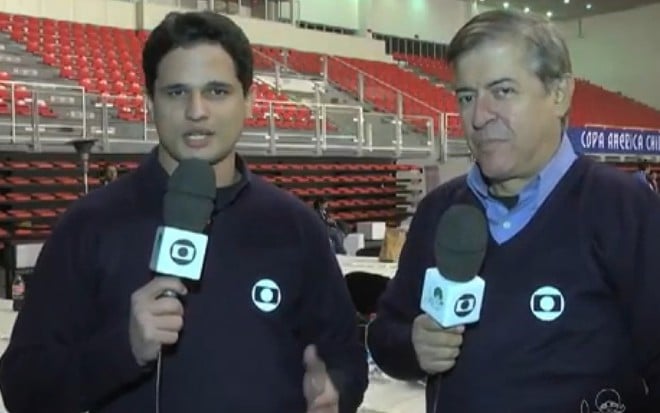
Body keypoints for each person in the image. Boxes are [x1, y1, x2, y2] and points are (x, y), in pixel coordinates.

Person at [0, 11, 367, 413]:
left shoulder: (296, 227)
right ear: (149, 101)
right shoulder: (89, 225)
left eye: (217, 91)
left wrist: (337, 391)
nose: (196, 111)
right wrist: (123, 349)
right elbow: (23, 388)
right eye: (176, 92)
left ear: (248, 100)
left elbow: (345, 357)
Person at [366, 9, 660, 413]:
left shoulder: (626, 209)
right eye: (467, 96)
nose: (480, 116)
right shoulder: (439, 210)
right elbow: (385, 334)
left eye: (502, 91)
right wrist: (413, 345)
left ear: (558, 94)